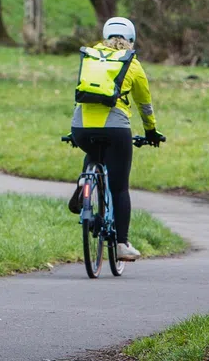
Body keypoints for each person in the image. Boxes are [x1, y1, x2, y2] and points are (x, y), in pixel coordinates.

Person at [68, 17, 164, 261]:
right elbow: (145, 105)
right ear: (132, 40)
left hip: (81, 126)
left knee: (94, 149)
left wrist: (76, 130)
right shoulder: (132, 64)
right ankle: (121, 244)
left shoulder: (91, 56)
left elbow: (83, 92)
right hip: (116, 129)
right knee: (119, 188)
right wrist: (151, 131)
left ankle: (84, 185)